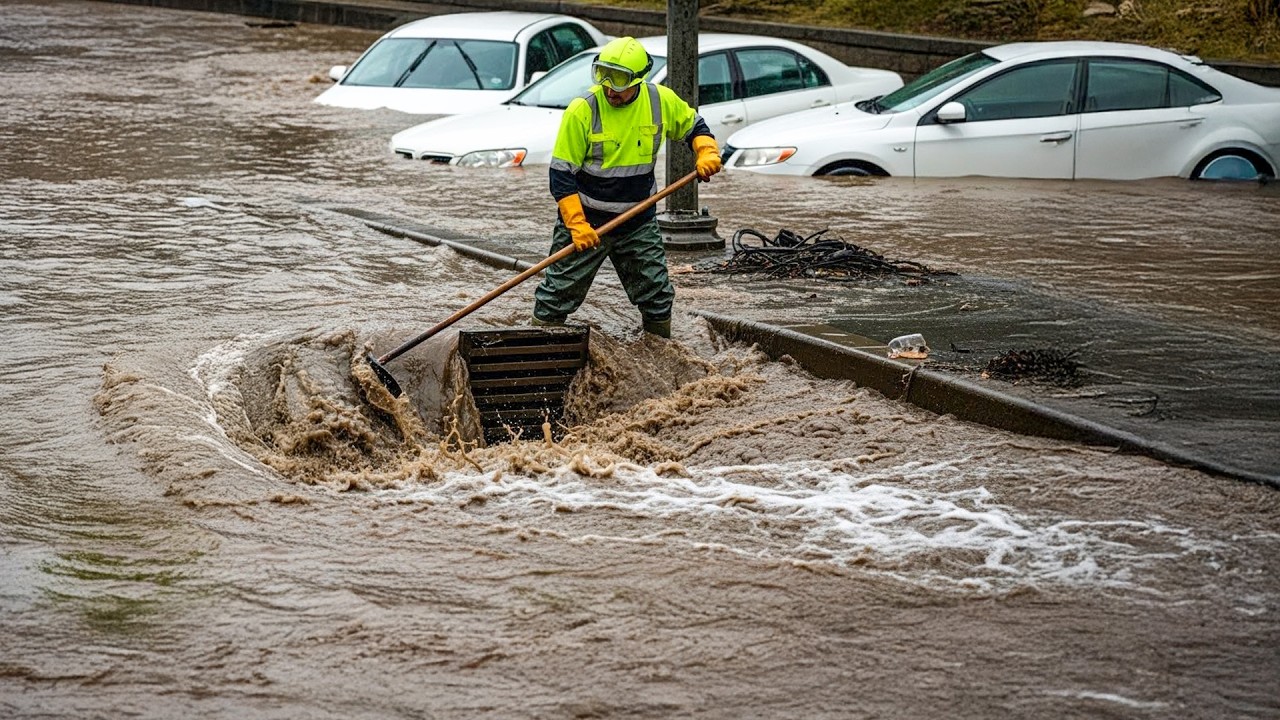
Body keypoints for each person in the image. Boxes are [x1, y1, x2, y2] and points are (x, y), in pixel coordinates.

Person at [531, 36, 722, 339]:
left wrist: (707, 151)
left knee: (657, 297)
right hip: (587, 223)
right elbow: (561, 175)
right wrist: (577, 225)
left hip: (638, 222)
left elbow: (695, 127)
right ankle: (537, 348)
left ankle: (658, 352)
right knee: (556, 297)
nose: (609, 88)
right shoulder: (583, 110)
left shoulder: (660, 100)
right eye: (603, 75)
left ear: (638, 79)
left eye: (618, 80)